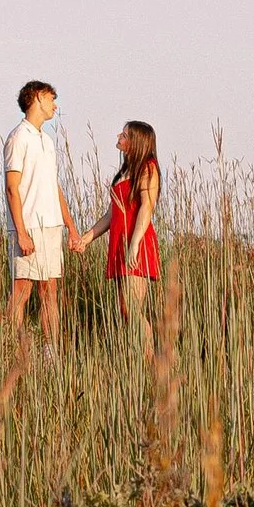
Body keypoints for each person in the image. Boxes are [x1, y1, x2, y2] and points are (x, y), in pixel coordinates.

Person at [3, 80, 76, 352]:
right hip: (29, 226)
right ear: (36, 98)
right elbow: (12, 188)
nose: (55, 105)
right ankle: (10, 349)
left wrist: (70, 226)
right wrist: (21, 232)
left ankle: (50, 352)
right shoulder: (18, 138)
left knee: (50, 292)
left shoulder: (46, 140)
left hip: (51, 226)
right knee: (21, 291)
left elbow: (53, 186)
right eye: (51, 98)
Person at [77, 120, 159, 353]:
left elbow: (147, 207)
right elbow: (112, 213)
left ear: (136, 142)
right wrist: (86, 238)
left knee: (132, 308)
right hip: (119, 242)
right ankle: (137, 361)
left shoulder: (148, 168)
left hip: (137, 241)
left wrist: (134, 244)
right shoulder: (125, 171)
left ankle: (152, 363)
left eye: (124, 135)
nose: (118, 136)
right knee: (124, 309)